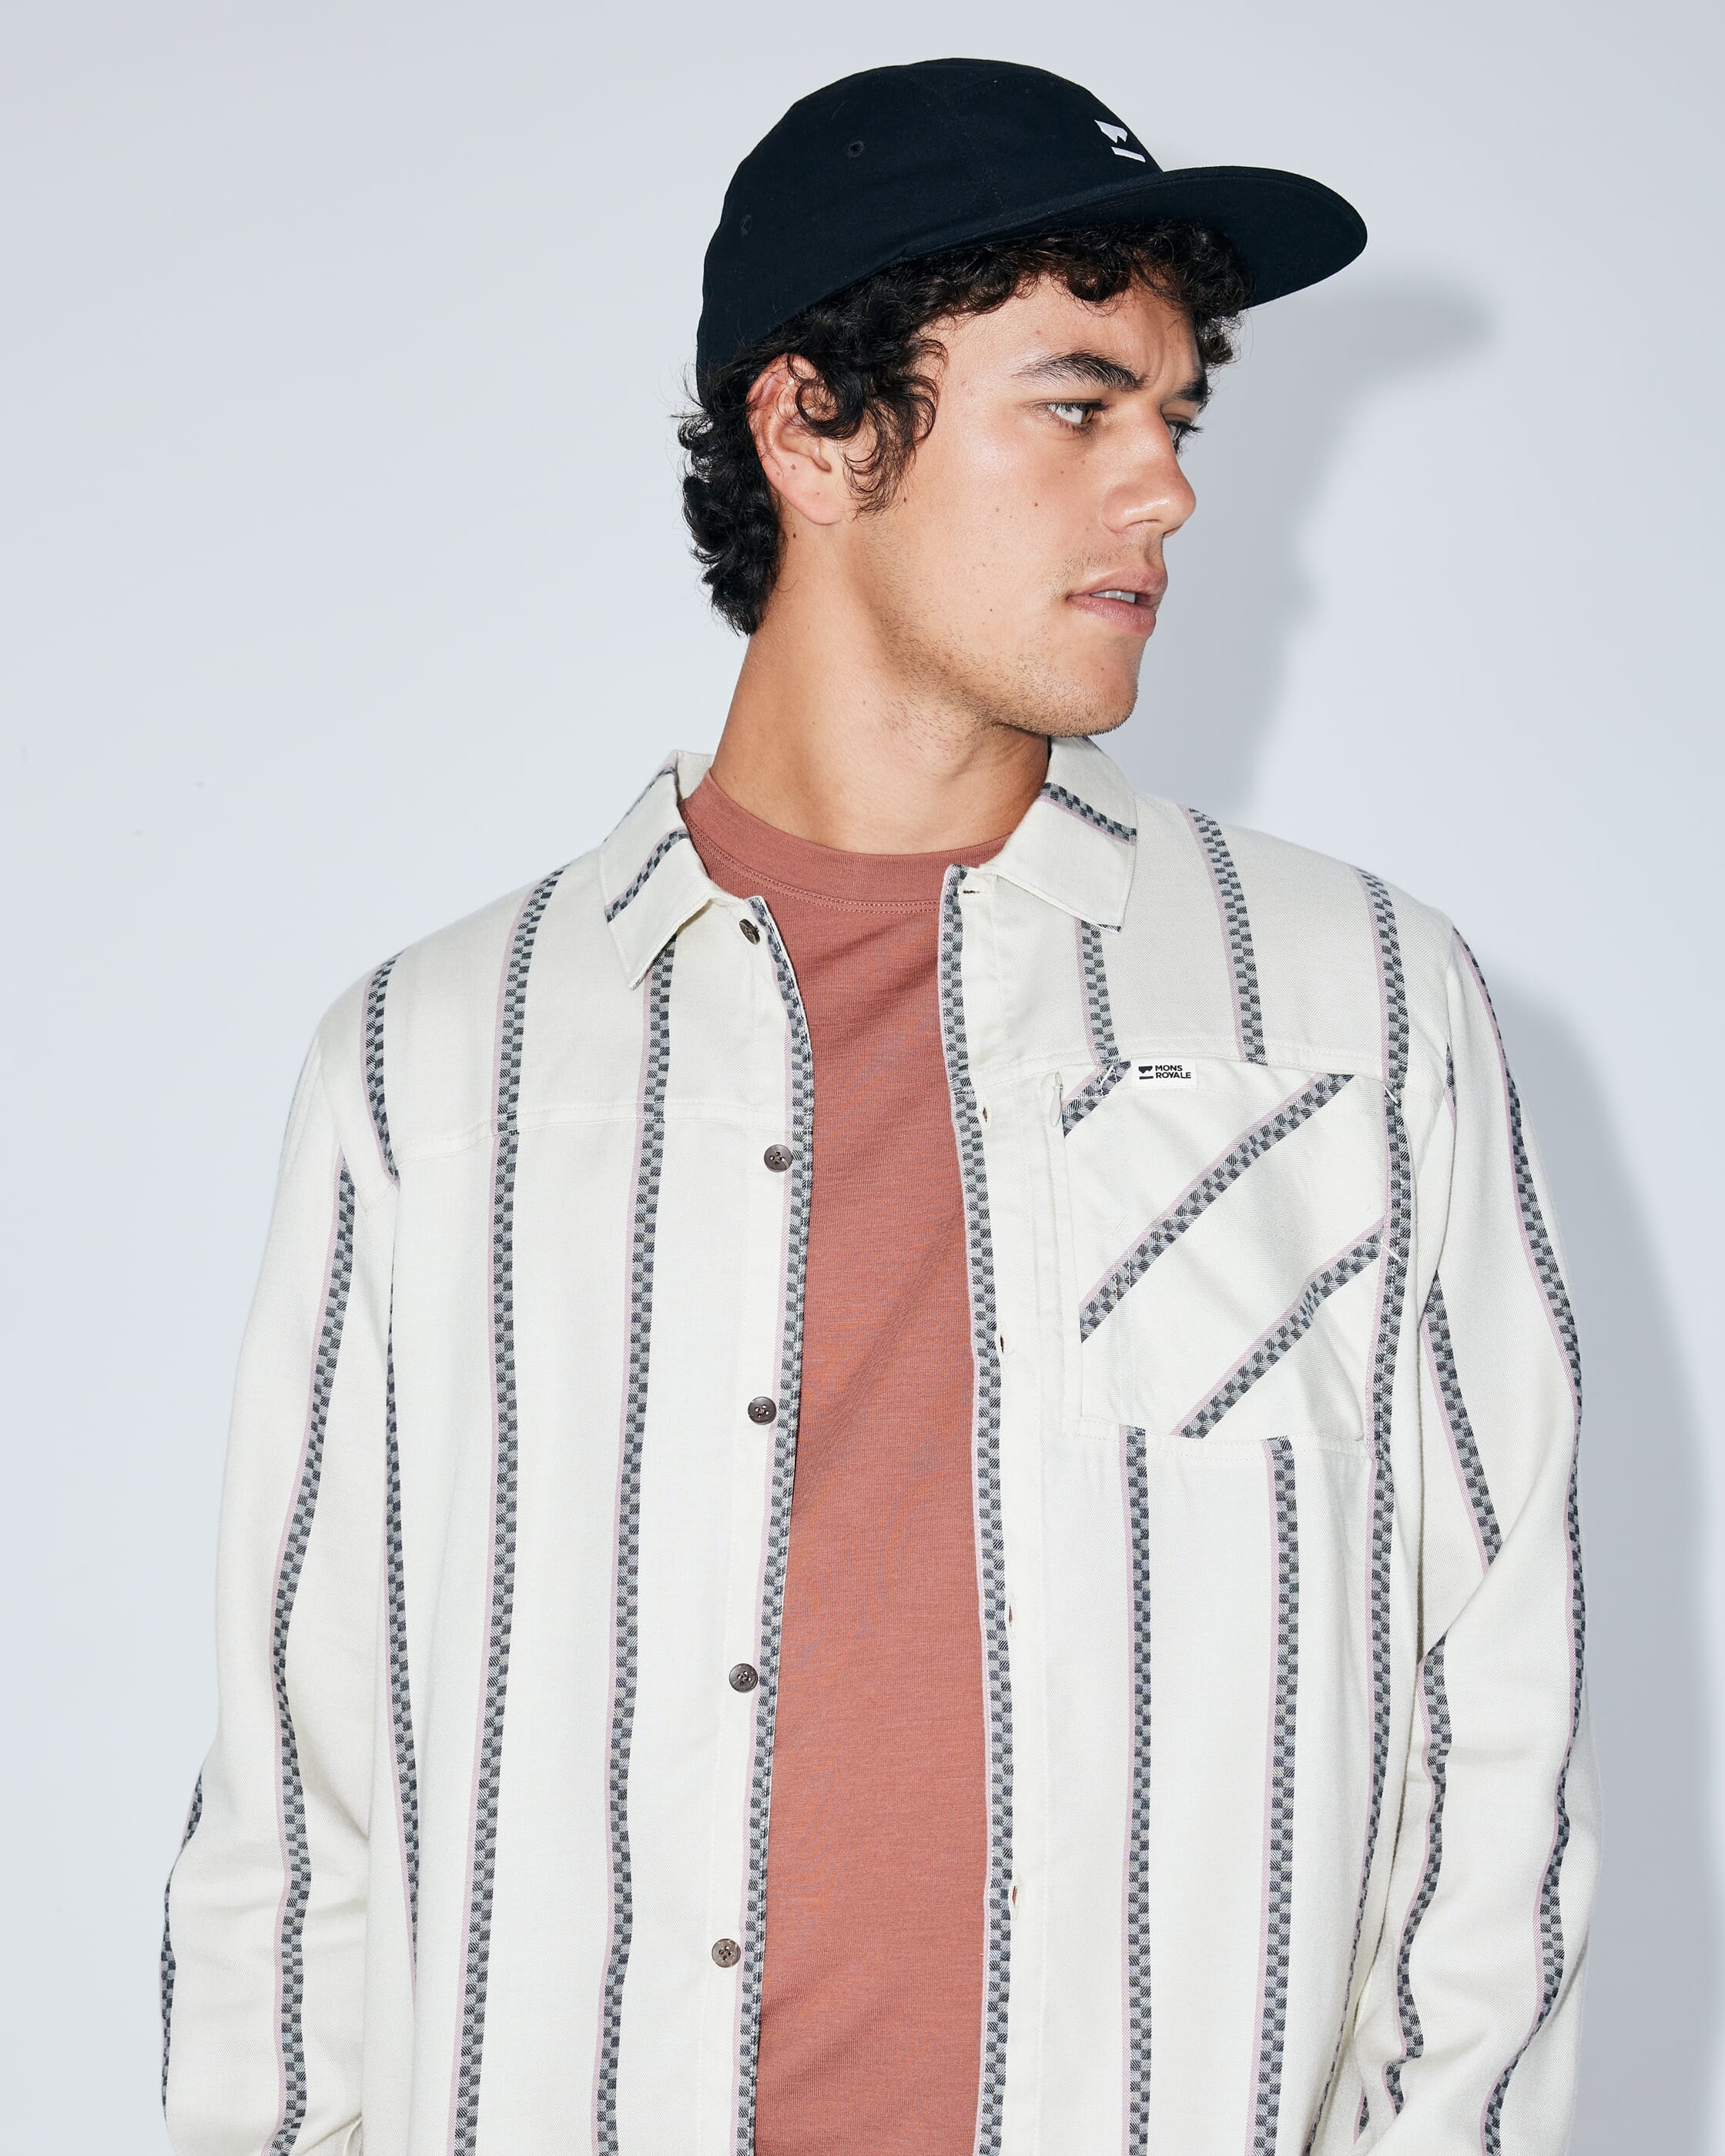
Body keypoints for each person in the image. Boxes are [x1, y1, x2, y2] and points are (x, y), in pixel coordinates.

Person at [159, 57, 1601, 2156]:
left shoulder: (1358, 1008)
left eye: (1179, 416)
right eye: (1081, 405)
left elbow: (1499, 1746)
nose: (1169, 490)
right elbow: (298, 1830)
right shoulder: (433, 1062)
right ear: (817, 427)